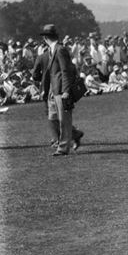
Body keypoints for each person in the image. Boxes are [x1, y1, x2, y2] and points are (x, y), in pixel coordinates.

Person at [33, 24, 84, 157]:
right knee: (54, 118)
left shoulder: (59, 50)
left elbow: (65, 71)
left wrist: (66, 90)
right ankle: (75, 134)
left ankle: (62, 148)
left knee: (63, 120)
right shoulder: (53, 50)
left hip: (61, 89)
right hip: (54, 89)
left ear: (45, 38)